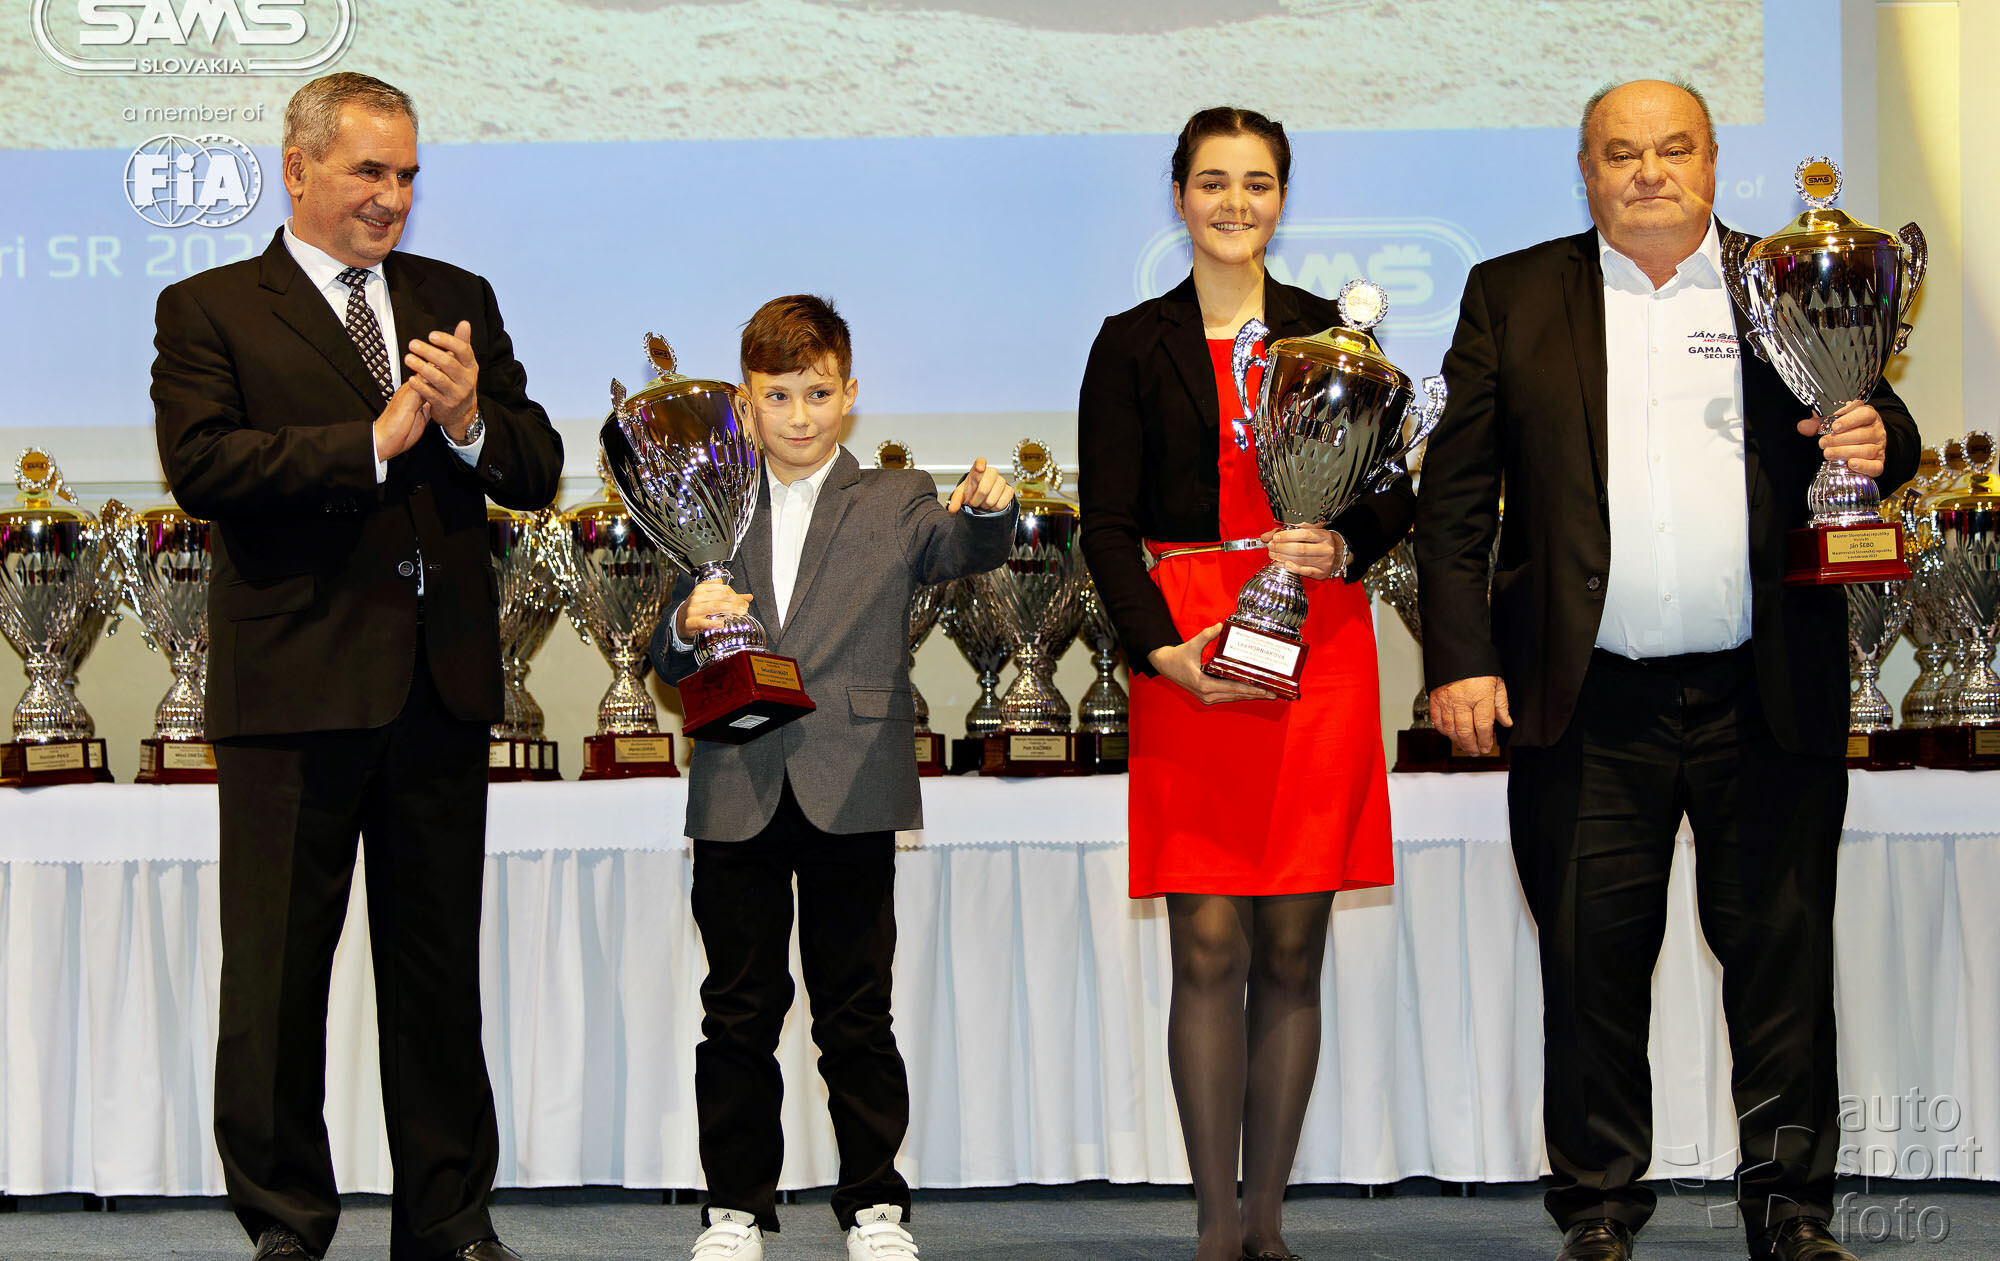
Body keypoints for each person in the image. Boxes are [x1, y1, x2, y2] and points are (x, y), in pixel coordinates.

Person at [1414, 79, 1919, 1261]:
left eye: (1672, 148)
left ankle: (1791, 1211)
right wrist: (1459, 660)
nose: (1647, 171)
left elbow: (1879, 420)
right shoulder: (1510, 294)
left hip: (1764, 692)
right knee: (1587, 969)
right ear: (1584, 171)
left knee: (1781, 967)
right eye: (1620, 152)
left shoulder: (1783, 276)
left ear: (1710, 162)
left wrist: (1873, 439)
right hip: (1585, 702)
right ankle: (1595, 1209)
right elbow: (1453, 503)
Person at [151, 72, 564, 1261]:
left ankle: (450, 1222)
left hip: (438, 686)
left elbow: (533, 467)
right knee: (277, 978)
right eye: (368, 171)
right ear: (297, 170)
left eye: (408, 174)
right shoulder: (209, 308)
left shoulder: (454, 299)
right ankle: (285, 1221)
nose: (392, 196)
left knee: (436, 974)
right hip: (293, 689)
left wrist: (472, 421)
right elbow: (204, 467)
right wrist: (367, 444)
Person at [1077, 108, 1413, 1261]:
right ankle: (1214, 1226)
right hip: (1189, 652)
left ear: (1281, 197)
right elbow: (1105, 525)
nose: (1234, 202)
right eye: (1212, 181)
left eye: (1256, 182)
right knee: (1207, 947)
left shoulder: (1334, 336)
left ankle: (1266, 1222)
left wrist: (1346, 541)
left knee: (1290, 952)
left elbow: (1393, 490)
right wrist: (1154, 653)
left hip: (1315, 646)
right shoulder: (1131, 343)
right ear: (1177, 195)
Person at [648, 295, 1017, 1261]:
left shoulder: (895, 498)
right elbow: (663, 652)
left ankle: (873, 1203)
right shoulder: (708, 503)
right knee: (738, 1009)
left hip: (852, 782)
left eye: (818, 393)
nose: (800, 415)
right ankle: (734, 1206)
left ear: (850, 394)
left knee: (856, 1010)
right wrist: (685, 624)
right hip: (737, 782)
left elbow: (964, 546)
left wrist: (992, 510)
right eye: (778, 396)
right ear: (745, 403)